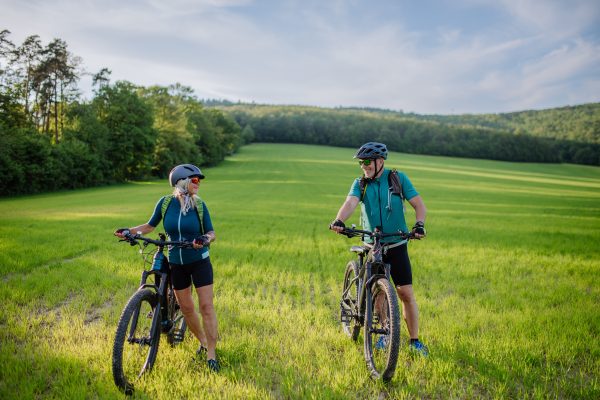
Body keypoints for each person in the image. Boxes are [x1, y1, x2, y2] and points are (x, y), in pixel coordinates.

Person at [114, 164, 220, 372]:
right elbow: (149, 227)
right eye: (196, 180)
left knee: (206, 307)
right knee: (187, 308)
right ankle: (203, 343)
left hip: (199, 261)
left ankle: (212, 354)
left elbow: (211, 233)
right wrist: (129, 230)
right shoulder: (165, 204)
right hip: (176, 263)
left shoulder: (199, 205)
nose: (199, 184)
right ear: (182, 182)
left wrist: (203, 239)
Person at [329, 142, 429, 356]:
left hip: (397, 243)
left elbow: (419, 205)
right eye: (361, 163)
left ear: (380, 161)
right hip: (372, 243)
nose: (363, 166)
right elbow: (350, 203)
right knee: (378, 293)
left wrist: (419, 224)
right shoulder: (360, 183)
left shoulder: (398, 179)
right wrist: (339, 220)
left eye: (367, 162)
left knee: (406, 293)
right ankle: (384, 333)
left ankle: (414, 342)